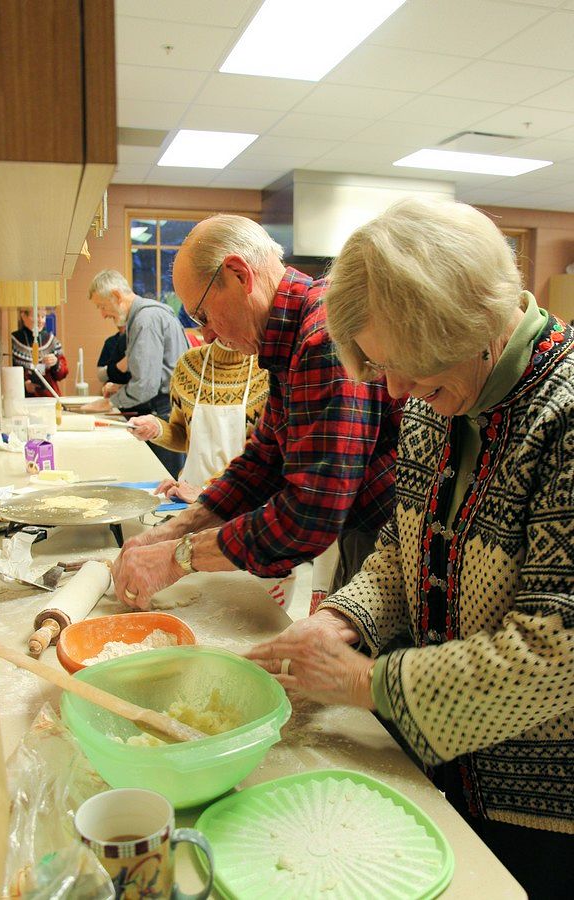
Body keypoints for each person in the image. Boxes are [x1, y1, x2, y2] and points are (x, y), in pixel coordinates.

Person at [246, 198, 574, 898]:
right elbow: (402, 546)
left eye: (402, 365)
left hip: (544, 813)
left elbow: (554, 654)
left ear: (475, 322)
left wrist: (365, 682)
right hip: (445, 764)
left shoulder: (565, 418)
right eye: (377, 364)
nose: (391, 390)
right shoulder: (436, 398)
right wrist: (342, 620)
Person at [111, 215, 402, 614]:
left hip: (389, 544)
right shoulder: (288, 336)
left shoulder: (321, 337)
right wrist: (177, 527)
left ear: (238, 274)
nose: (207, 335)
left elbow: (309, 516)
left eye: (202, 315)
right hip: (365, 531)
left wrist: (179, 556)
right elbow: (262, 460)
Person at [128, 338, 298, 608]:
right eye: (199, 316)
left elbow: (266, 462)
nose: (206, 332)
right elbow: (184, 435)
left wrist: (207, 490)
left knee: (244, 613)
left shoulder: (268, 370)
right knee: (191, 606)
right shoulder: (189, 366)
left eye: (208, 316)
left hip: (250, 513)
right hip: (192, 506)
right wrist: (158, 431)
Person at [88, 270, 189, 475]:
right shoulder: (148, 315)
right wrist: (122, 388)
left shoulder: (145, 319)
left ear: (116, 296)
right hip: (170, 409)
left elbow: (145, 386)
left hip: (164, 414)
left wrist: (111, 402)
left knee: (164, 483)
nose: (103, 314)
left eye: (102, 306)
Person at [11, 307, 68, 397]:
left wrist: (56, 363)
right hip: (23, 400)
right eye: (36, 316)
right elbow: (7, 376)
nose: (40, 321)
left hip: (49, 399)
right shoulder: (13, 341)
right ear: (23, 316)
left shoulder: (52, 341)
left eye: (43, 316)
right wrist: (24, 386)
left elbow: (62, 374)